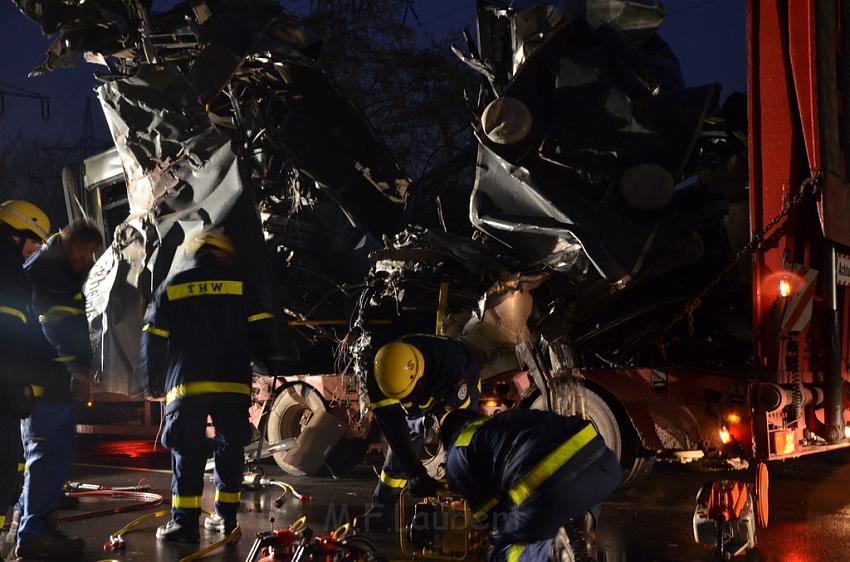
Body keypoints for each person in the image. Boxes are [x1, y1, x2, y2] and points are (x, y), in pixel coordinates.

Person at [139, 230, 276, 543]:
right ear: (223, 254)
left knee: (187, 449)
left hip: (188, 383)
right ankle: (226, 519)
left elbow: (152, 336)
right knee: (230, 448)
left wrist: (151, 379)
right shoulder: (242, 286)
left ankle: (184, 523)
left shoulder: (173, 286)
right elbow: (262, 331)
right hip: (231, 382)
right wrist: (268, 363)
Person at [17, 219, 103, 560]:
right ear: (69, 242)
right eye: (84, 250)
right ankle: (32, 534)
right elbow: (51, 327)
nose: (86, 258)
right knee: (46, 458)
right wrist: (75, 368)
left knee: (54, 457)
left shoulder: (61, 274)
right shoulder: (47, 273)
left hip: (54, 383)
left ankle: (40, 523)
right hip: (47, 383)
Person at [440, 409, 622, 562]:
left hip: (552, 485)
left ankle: (554, 553)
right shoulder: (504, 420)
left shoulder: (458, 451)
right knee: (563, 505)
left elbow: (490, 517)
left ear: (447, 439)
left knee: (500, 549)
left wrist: (487, 537)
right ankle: (580, 527)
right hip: (604, 464)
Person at [355, 334, 481, 532]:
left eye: (408, 395)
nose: (406, 401)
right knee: (397, 458)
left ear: (419, 380)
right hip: (423, 401)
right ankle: (380, 513)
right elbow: (394, 429)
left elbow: (454, 421)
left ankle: (475, 513)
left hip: (457, 394)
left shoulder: (448, 365)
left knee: (458, 451)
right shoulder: (380, 375)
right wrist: (415, 471)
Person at [0, 201, 50, 539]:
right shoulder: (8, 272)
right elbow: (10, 337)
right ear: (16, 232)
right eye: (33, 241)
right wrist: (17, 387)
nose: (33, 251)